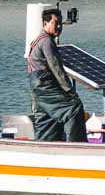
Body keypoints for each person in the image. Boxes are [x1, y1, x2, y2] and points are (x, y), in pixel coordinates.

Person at [26, 8, 87, 142]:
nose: (59, 26)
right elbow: (56, 68)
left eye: (60, 23)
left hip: (36, 87)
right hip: (44, 84)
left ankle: (45, 147)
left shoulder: (37, 40)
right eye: (55, 23)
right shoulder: (47, 41)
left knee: (47, 119)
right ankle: (77, 144)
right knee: (74, 107)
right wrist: (69, 90)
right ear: (45, 23)